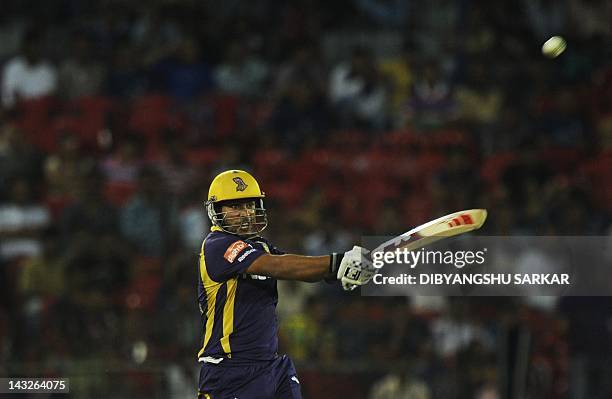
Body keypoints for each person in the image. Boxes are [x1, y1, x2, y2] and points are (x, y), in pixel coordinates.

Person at [197, 170, 375, 399]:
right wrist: (336, 262)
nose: (245, 214)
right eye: (235, 207)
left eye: (249, 205)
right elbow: (277, 266)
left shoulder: (260, 247)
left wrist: (340, 271)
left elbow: (298, 270)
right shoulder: (216, 245)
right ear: (216, 210)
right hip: (229, 371)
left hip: (271, 366)